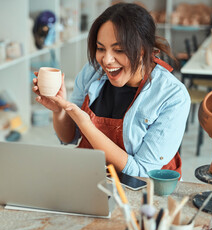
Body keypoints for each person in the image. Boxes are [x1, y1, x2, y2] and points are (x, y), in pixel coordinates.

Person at [32, 3, 190, 178]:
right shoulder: (91, 72)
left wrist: (86, 125)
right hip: (92, 177)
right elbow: (69, 137)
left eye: (119, 50)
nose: (106, 60)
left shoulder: (173, 96)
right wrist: (59, 110)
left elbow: (142, 171)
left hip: (141, 189)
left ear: (144, 49)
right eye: (100, 49)